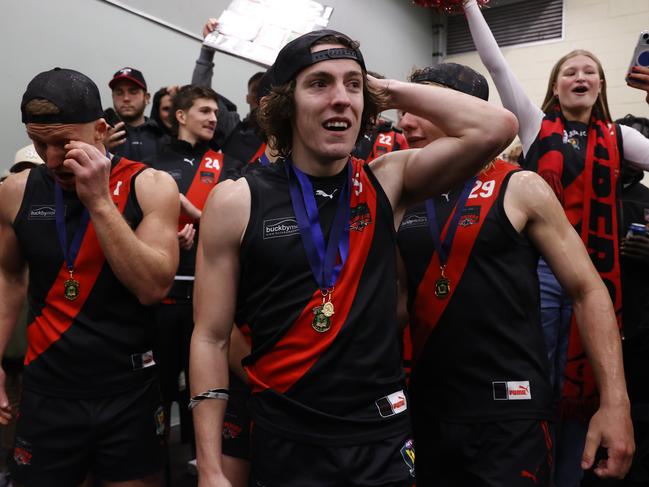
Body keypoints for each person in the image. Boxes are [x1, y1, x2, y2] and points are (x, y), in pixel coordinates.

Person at [190, 28, 516, 486]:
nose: (341, 98)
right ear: (287, 103)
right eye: (319, 83)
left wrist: (383, 88)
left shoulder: (389, 179)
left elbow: (498, 127)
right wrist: (209, 468)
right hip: (287, 431)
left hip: (380, 438)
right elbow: (210, 338)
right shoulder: (237, 200)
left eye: (353, 85)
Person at [397, 63, 634, 487]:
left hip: (510, 415)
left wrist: (615, 403)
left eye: (420, 105)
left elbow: (587, 289)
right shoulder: (398, 191)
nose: (405, 119)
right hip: (424, 410)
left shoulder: (521, 186)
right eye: (404, 109)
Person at [463, 2, 649, 484]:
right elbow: (497, 63)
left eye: (590, 70)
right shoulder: (532, 123)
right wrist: (466, 4)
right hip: (540, 274)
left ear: (602, 85)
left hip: (598, 278)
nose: (580, 76)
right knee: (535, 381)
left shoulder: (620, 136)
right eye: (570, 71)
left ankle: (567, 474)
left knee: (587, 389)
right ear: (556, 85)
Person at [0, 67, 180, 487]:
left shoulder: (149, 186)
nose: (52, 159)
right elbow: (9, 281)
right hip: (48, 387)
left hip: (128, 389)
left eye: (65, 143)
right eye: (39, 143)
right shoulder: (16, 192)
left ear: (101, 129)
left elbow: (154, 287)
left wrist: (99, 201)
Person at [148, 84, 243, 482]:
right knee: (160, 389)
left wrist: (200, 219)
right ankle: (154, 467)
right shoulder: (151, 162)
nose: (212, 118)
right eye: (203, 110)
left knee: (205, 389)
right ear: (180, 116)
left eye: (215, 112)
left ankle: (201, 464)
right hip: (163, 298)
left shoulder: (227, 165)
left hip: (209, 300)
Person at [194, 19, 266, 163]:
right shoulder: (232, 125)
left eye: (266, 89)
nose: (260, 95)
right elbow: (200, 94)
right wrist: (208, 49)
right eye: (256, 90)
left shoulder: (285, 131)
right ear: (247, 98)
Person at [106, 67, 166, 161]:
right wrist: (100, 148)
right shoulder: (101, 135)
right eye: (119, 92)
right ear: (113, 97)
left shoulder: (162, 133)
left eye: (133, 92)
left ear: (146, 98)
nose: (126, 98)